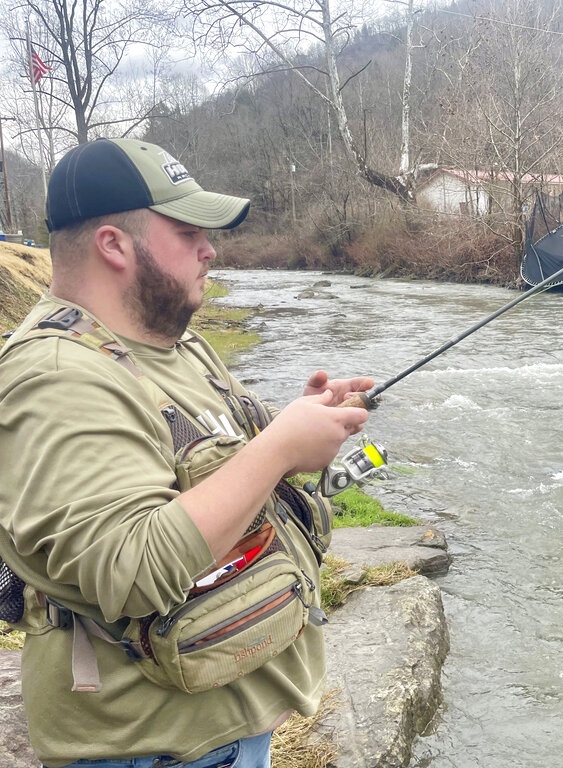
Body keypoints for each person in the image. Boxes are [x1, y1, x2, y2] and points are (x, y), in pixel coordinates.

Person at [0, 138, 371, 767]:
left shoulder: (170, 339)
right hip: (152, 748)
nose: (210, 249)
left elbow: (213, 468)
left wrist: (294, 424)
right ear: (113, 244)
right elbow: (130, 566)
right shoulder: (57, 377)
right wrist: (279, 449)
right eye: (187, 231)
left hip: (219, 730)